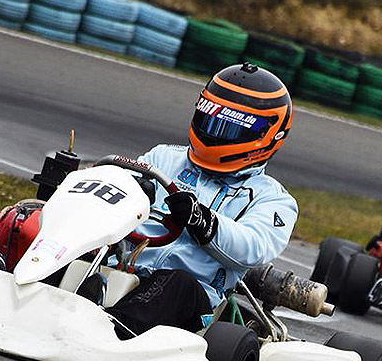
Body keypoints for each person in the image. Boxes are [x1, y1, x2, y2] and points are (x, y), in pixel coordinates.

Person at [102, 62, 299, 338]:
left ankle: (110, 331)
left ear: (268, 136)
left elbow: (252, 247)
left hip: (192, 300)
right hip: (119, 266)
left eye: (230, 129)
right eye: (212, 122)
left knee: (177, 283)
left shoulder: (273, 200)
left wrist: (203, 221)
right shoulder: (163, 158)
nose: (216, 134)